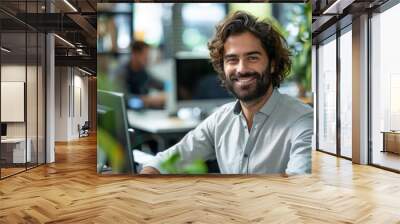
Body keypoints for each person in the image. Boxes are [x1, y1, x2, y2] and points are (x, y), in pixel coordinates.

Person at [140, 11, 313, 175]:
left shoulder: (303, 121)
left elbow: (300, 187)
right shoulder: (220, 120)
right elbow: (167, 161)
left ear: (273, 64)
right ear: (222, 66)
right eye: (232, 59)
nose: (242, 69)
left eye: (252, 58)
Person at [118, 41, 166, 109]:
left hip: (143, 114)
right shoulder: (122, 72)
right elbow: (123, 99)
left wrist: (171, 89)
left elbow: (163, 85)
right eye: (145, 55)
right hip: (129, 113)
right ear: (134, 54)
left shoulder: (143, 73)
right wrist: (146, 100)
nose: (148, 58)